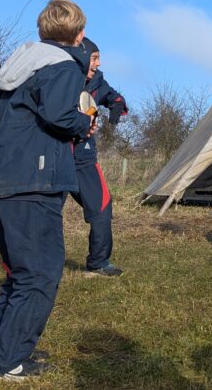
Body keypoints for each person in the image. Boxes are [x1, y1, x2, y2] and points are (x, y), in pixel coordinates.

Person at [0, 0, 93, 381]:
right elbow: (60, 115)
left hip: (3, 173)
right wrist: (83, 123)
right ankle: (8, 360)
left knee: (21, 272)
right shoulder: (62, 65)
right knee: (40, 272)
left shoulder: (23, 62)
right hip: (33, 178)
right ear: (78, 35)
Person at [70, 37, 128, 277]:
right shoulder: (61, 76)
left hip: (83, 158)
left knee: (102, 206)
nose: (98, 63)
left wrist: (116, 106)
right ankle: (32, 264)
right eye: (94, 58)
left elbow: (116, 99)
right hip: (54, 155)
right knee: (43, 212)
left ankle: (99, 262)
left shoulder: (97, 80)